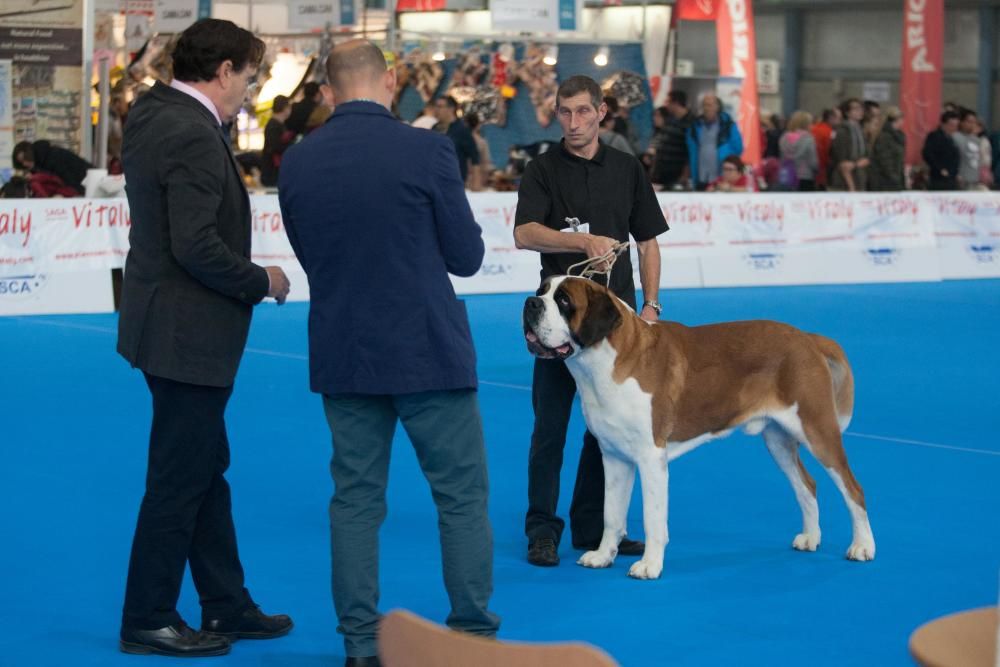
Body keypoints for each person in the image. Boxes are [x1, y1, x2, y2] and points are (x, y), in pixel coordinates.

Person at [277, 39, 501, 667]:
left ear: (327, 92)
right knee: (459, 498)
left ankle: (359, 646)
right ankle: (471, 639)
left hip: (345, 349)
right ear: (392, 81)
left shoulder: (297, 162)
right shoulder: (428, 149)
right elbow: (467, 257)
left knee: (354, 501)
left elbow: (309, 252)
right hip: (428, 348)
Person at [115, 18, 292, 658]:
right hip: (185, 333)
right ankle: (147, 614)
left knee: (203, 470)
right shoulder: (189, 130)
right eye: (248, 76)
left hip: (164, 324)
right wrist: (262, 278)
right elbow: (196, 247)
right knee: (179, 479)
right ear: (223, 73)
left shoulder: (155, 110)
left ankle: (226, 603)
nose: (249, 89)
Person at [513, 74, 668, 567]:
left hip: (615, 325)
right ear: (556, 113)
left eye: (583, 111)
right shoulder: (541, 168)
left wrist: (652, 306)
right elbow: (524, 233)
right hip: (559, 321)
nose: (574, 122)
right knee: (550, 427)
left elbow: (648, 241)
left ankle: (595, 528)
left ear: (602, 112)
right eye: (565, 112)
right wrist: (582, 241)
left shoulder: (626, 168)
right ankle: (542, 530)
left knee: (608, 432)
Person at [686, 93, 744, 190]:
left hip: (721, 175)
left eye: (710, 105)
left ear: (717, 107)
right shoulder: (694, 126)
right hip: (700, 174)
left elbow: (738, 148)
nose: (707, 108)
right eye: (704, 105)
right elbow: (691, 150)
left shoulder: (728, 125)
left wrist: (726, 156)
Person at [12, 140, 93, 195]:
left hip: (88, 183)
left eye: (26, 158)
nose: (25, 164)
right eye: (21, 163)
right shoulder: (42, 161)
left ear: (30, 154)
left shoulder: (52, 157)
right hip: (84, 185)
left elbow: (68, 179)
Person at [434, 95, 480, 188]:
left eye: (440, 106)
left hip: (455, 183)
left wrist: (476, 184)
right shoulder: (434, 128)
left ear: (451, 109)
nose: (436, 109)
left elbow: (475, 157)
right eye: (436, 106)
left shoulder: (462, 130)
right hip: (435, 181)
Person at [652, 91, 695, 190]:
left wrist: (684, 175)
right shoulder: (670, 119)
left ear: (675, 103)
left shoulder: (691, 122)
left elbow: (690, 152)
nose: (666, 105)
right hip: (662, 171)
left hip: (676, 173)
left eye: (668, 102)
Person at [829, 97, 869, 191]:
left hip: (860, 176)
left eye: (861, 108)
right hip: (844, 181)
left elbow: (867, 156)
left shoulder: (861, 131)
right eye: (855, 109)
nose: (860, 111)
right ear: (847, 113)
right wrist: (852, 187)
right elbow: (842, 162)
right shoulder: (842, 131)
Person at [778, 110, 819, 191]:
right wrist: (816, 170)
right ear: (807, 124)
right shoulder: (808, 138)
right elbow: (813, 161)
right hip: (805, 176)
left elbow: (781, 157)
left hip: (787, 176)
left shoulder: (784, 137)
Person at [867, 106, 906, 191]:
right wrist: (895, 178)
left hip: (895, 178)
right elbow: (885, 160)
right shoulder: (884, 137)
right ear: (896, 120)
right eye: (902, 119)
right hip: (884, 181)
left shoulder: (898, 136)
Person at [260, 94, 293, 187]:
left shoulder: (277, 124)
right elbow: (275, 146)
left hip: (275, 171)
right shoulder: (273, 125)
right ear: (285, 108)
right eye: (289, 106)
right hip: (273, 172)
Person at [922, 111, 961, 190]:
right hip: (938, 178)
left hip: (951, 177)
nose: (954, 128)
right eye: (951, 125)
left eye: (956, 126)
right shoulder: (934, 136)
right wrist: (940, 169)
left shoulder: (952, 139)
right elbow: (927, 154)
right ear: (943, 124)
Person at [811, 108, 841, 190]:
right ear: (831, 118)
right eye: (839, 118)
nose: (840, 121)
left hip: (811, 169)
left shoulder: (814, 128)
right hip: (823, 169)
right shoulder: (830, 132)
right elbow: (829, 152)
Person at [464, 112, 494, 190]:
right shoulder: (481, 142)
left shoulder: (458, 140)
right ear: (478, 125)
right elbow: (486, 164)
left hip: (461, 179)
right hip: (477, 179)